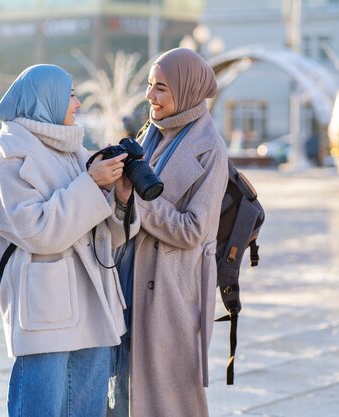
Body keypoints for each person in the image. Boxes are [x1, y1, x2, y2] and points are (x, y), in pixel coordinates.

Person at [0, 64, 140, 417]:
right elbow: (38, 231)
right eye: (70, 95)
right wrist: (91, 185)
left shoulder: (77, 153)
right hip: (47, 310)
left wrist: (122, 200)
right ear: (46, 98)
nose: (79, 103)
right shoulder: (9, 158)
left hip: (94, 306)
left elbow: (110, 237)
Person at [111, 48, 228, 417]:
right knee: (128, 395)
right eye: (149, 85)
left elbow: (195, 230)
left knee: (170, 400)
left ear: (187, 89)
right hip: (130, 283)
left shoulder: (211, 150)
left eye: (161, 87)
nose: (150, 96)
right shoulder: (151, 135)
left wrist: (140, 202)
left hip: (172, 294)